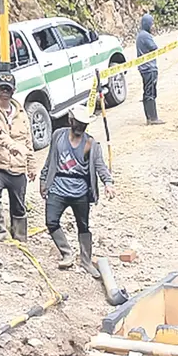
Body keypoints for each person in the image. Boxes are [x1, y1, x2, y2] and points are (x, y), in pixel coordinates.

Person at [40, 107, 114, 278]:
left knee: (83, 225)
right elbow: (50, 160)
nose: (80, 127)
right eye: (78, 123)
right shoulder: (58, 136)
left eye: (84, 125)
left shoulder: (90, 144)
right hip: (58, 186)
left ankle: (86, 260)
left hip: (80, 190)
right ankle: (67, 253)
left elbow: (99, 165)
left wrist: (108, 183)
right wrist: (43, 180)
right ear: (70, 120)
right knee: (51, 221)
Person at [0, 72, 36, 241]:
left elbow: (28, 140)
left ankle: (20, 237)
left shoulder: (21, 112)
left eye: (8, 88)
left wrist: (31, 165)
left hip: (18, 167)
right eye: (2, 88)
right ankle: (1, 231)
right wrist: (13, 146)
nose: (5, 92)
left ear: (13, 90)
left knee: (18, 204)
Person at [136, 14, 164, 125]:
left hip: (145, 68)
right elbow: (154, 47)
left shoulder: (141, 35)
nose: (153, 26)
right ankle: (153, 118)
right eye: (152, 23)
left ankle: (150, 117)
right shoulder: (145, 36)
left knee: (148, 92)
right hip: (148, 68)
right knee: (150, 93)